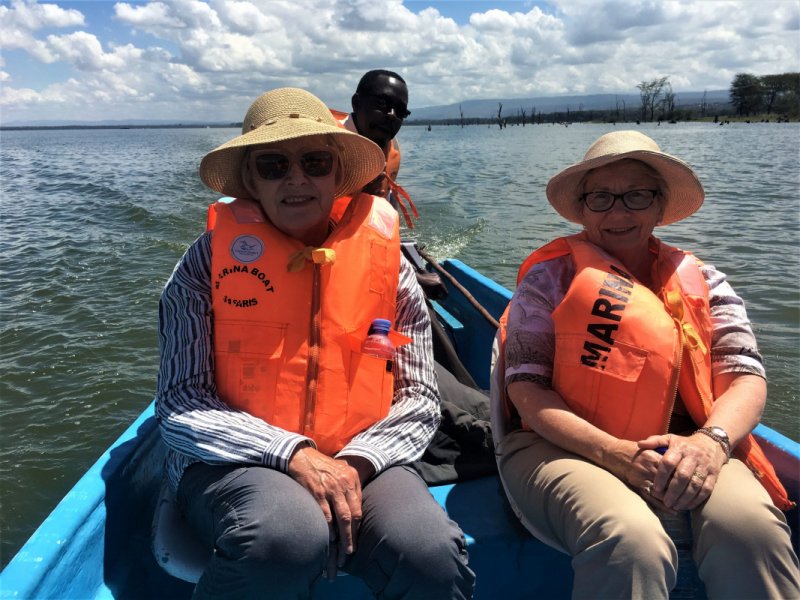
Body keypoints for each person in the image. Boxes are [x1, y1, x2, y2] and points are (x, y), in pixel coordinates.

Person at [156, 87, 475, 599]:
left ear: (336, 173)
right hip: (238, 458)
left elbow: (419, 397)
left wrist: (356, 463)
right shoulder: (201, 266)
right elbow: (180, 402)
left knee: (430, 551)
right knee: (286, 535)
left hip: (363, 456)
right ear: (251, 181)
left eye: (315, 161)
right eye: (274, 164)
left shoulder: (388, 267)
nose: (297, 178)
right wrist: (294, 455)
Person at [491, 130, 800, 598]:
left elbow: (744, 378)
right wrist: (613, 454)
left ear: (659, 206)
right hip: (558, 444)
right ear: (582, 209)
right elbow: (527, 393)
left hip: (690, 442)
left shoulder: (705, 281)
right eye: (601, 197)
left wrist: (710, 445)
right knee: (630, 539)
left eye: (637, 195)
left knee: (751, 529)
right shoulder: (549, 279)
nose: (619, 211)